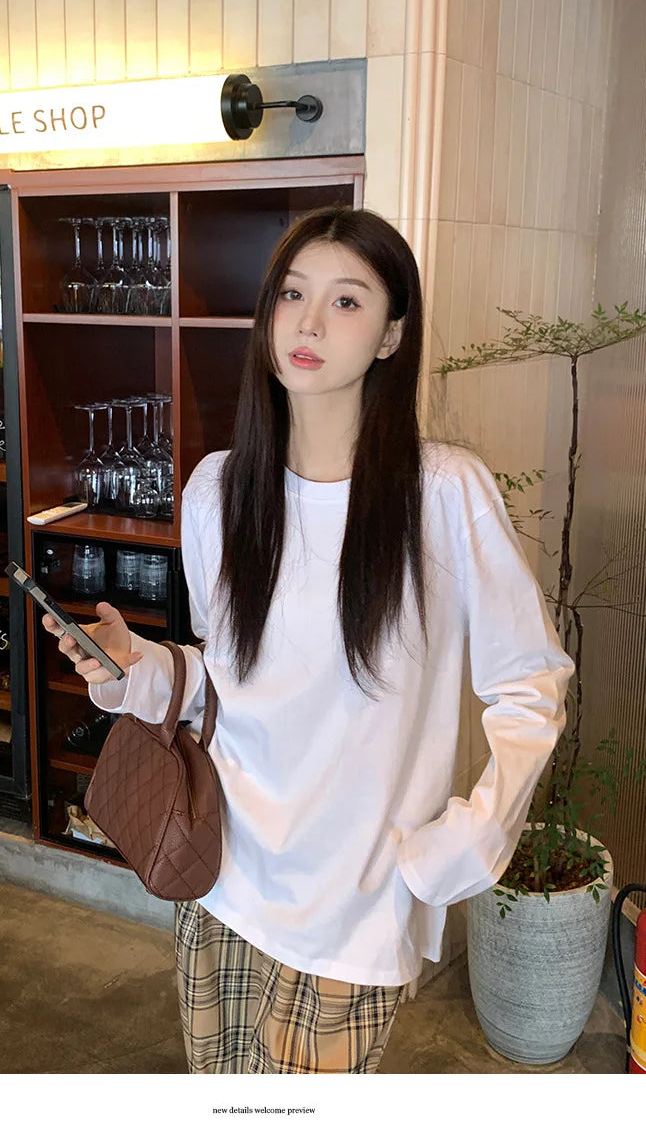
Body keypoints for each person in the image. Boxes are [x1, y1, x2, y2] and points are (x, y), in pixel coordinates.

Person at [43, 205, 575, 1075]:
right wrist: (138, 665)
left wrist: (469, 839)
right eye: (293, 294)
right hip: (220, 873)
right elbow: (230, 677)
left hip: (353, 906)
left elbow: (533, 681)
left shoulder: (445, 496)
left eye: (347, 301)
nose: (310, 322)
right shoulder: (218, 492)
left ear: (392, 335)